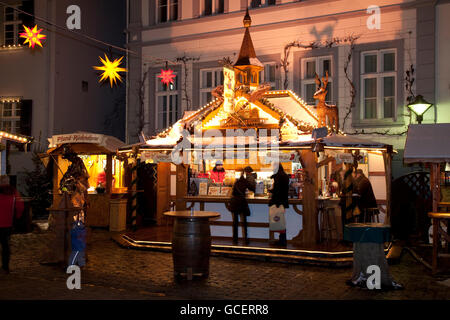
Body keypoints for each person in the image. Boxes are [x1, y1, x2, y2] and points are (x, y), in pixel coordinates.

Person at [0, 176, 24, 274]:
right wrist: (17, 217)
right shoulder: (13, 192)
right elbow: (20, 206)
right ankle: (5, 267)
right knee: (5, 246)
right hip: (7, 223)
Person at [229, 166, 256, 244]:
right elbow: (253, 188)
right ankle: (245, 239)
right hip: (241, 202)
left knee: (235, 222)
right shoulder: (245, 181)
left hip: (234, 202)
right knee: (244, 222)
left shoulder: (235, 182)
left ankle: (235, 240)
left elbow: (233, 192)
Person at [268, 164, 289, 246]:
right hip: (283, 201)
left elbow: (277, 190)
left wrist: (271, 191)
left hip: (278, 202)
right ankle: (282, 239)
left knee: (279, 221)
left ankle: (282, 241)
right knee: (281, 221)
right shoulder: (285, 175)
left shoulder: (278, 177)